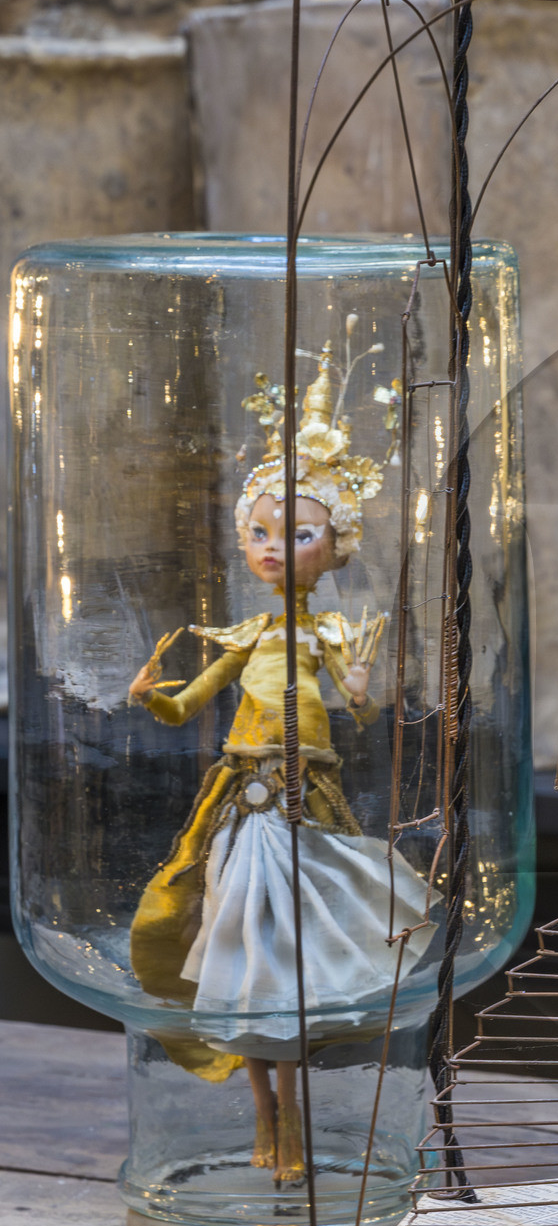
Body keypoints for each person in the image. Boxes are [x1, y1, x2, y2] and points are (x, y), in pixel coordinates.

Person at [126, 344, 432, 1183]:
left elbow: (362, 709)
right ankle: (266, 1118)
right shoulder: (249, 635)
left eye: (295, 533)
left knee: (293, 952)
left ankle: (288, 1122)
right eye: (260, 532)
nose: (272, 547)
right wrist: (152, 695)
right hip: (243, 797)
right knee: (238, 943)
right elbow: (190, 705)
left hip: (305, 800)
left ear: (333, 546)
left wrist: (363, 683)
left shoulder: (326, 635)